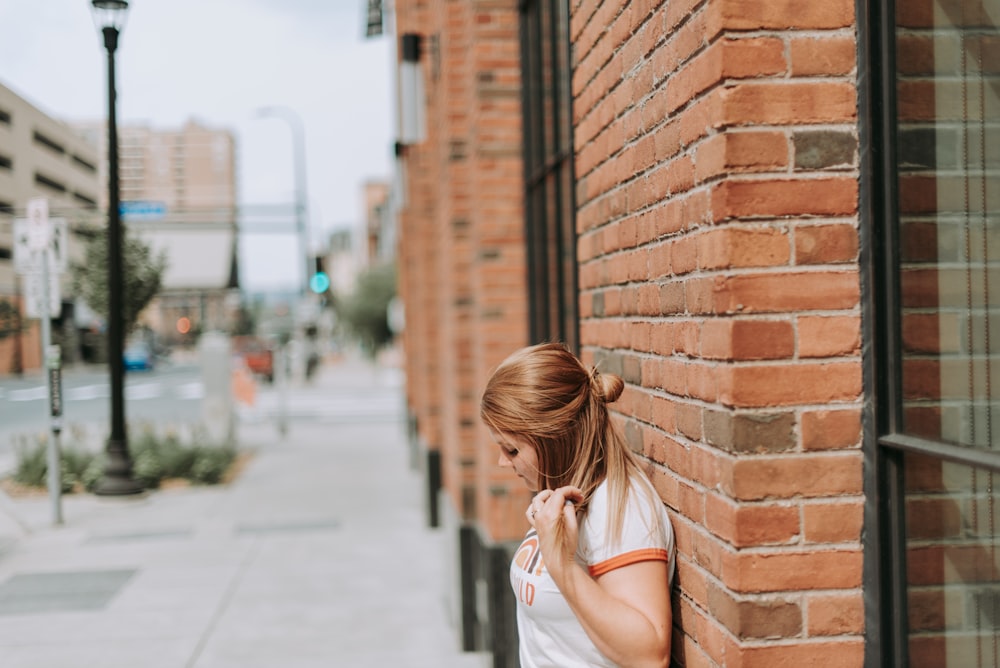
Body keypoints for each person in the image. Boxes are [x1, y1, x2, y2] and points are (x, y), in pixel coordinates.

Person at [480, 342, 676, 668]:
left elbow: (649, 655)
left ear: (554, 438)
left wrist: (562, 566)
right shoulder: (569, 498)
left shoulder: (621, 507)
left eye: (512, 450)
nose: (502, 462)